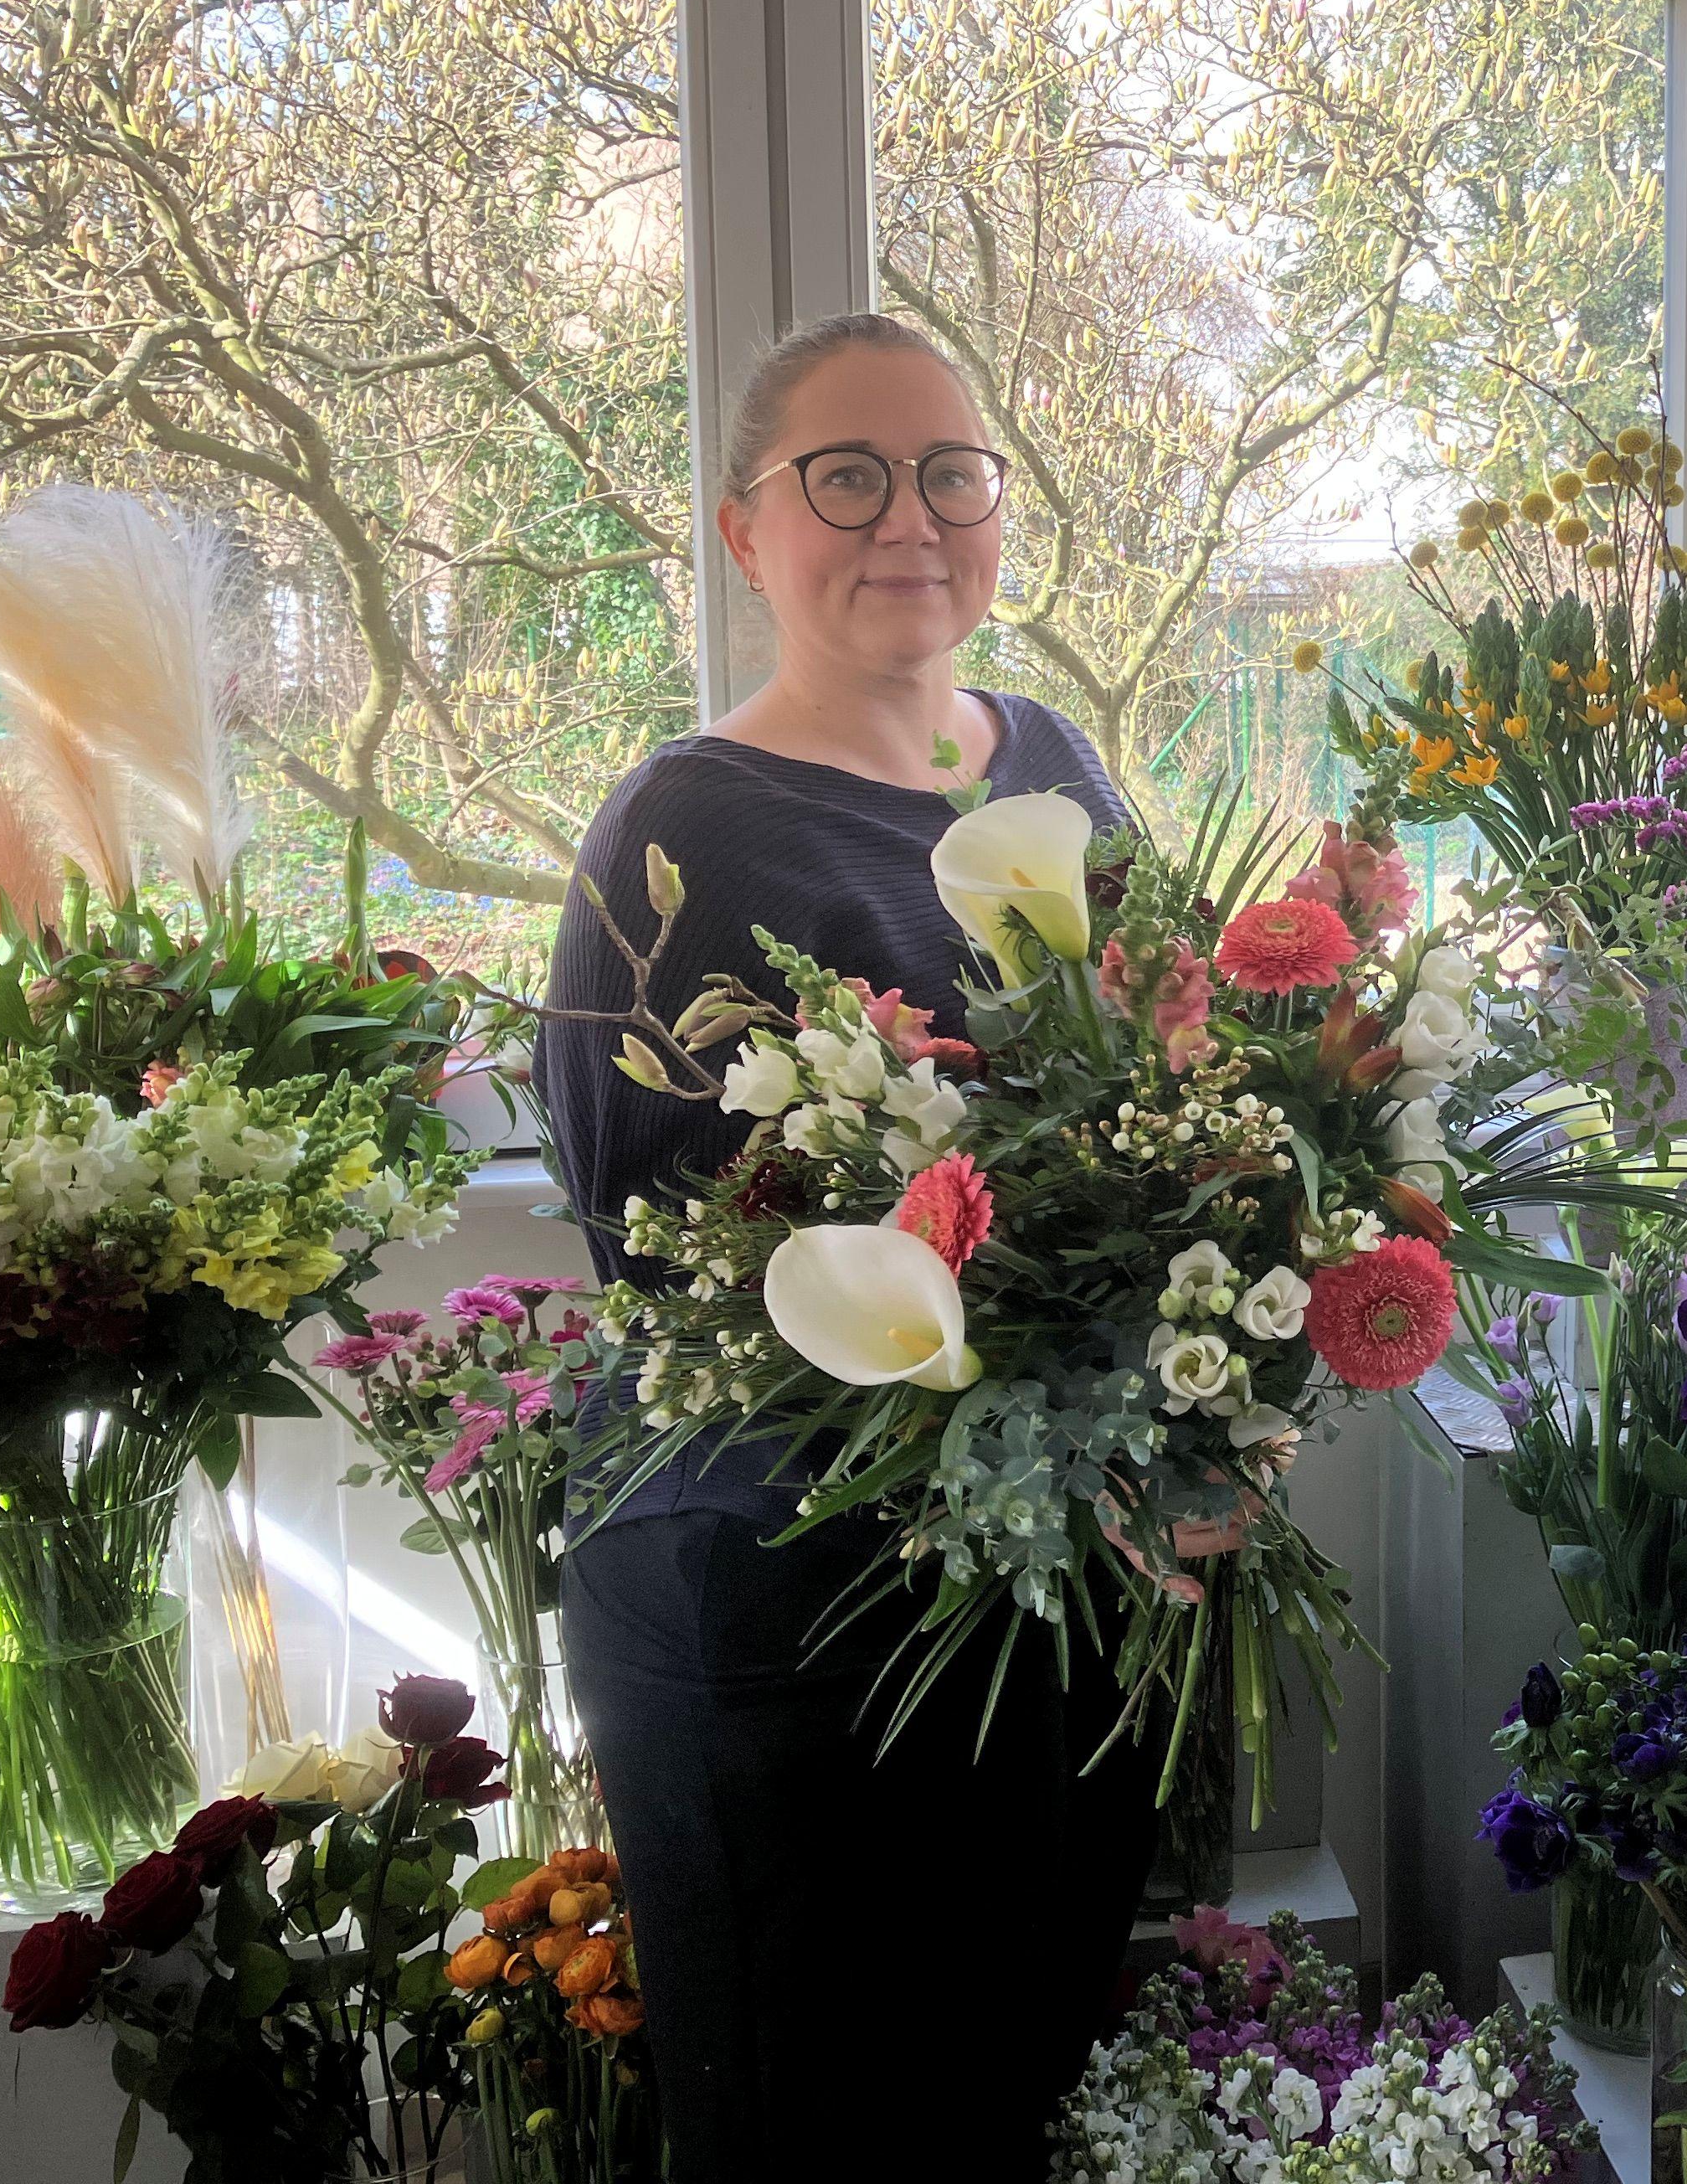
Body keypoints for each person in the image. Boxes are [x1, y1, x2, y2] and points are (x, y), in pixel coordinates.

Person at [535, 312, 1156, 2175]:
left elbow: (1173, 1101)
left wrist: (1196, 1421)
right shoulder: (682, 830)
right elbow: (659, 1266)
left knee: (1020, 2086)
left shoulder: (1048, 755)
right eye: (849, 476)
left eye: (952, 472)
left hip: (1059, 1574)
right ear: (745, 530)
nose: (913, 520)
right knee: (815, 2119)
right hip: (786, 1610)